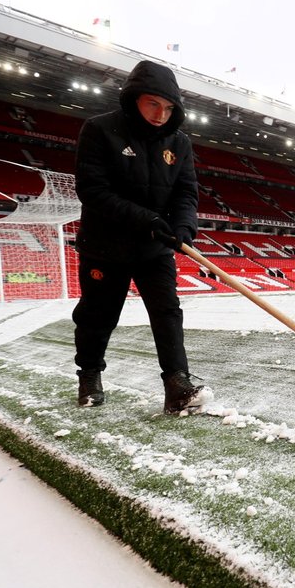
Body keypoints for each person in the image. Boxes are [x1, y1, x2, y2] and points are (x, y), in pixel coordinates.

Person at [72, 59, 205, 414]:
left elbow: (186, 194)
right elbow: (93, 191)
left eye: (168, 107)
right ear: (134, 98)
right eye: (153, 104)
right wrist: (147, 219)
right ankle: (89, 376)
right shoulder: (99, 130)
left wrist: (183, 228)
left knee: (167, 312)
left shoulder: (180, 143)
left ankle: (178, 383)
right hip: (105, 246)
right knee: (98, 314)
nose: (161, 114)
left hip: (154, 247)